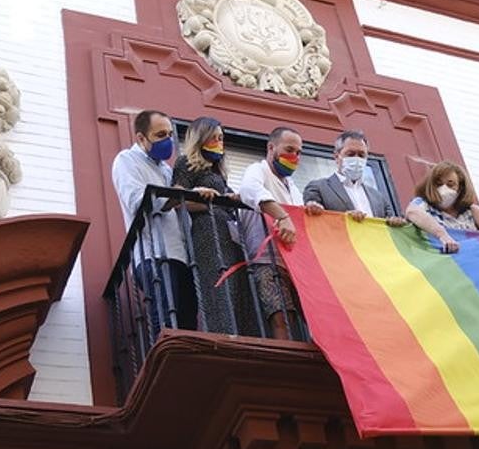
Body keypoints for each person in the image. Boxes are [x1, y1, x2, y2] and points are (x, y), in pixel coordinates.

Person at [110, 110, 197, 331]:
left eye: (169, 134)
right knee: (166, 321)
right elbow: (137, 202)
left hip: (181, 256)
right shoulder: (126, 161)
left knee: (188, 325)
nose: (167, 140)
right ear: (141, 138)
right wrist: (174, 196)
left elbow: (179, 206)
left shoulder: (166, 170)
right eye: (160, 135)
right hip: (154, 254)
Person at [171, 117, 259, 335]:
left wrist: (233, 197)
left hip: (229, 234)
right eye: (214, 137)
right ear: (201, 138)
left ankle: (242, 334)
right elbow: (178, 201)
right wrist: (200, 197)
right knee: (218, 284)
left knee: (238, 286)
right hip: (207, 234)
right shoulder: (186, 163)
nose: (219, 142)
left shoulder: (217, 171)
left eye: (221, 138)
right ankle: (222, 332)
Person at [238, 126, 305, 340]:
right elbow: (249, 189)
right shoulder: (257, 170)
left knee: (312, 318)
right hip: (266, 261)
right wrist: (282, 216)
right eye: (289, 149)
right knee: (280, 317)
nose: (294, 156)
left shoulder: (293, 187)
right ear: (271, 148)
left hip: (295, 264)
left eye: (299, 152)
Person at [405, 160, 479, 258]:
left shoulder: (470, 211)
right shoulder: (423, 205)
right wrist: (443, 235)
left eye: (451, 184)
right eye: (438, 184)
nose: (444, 188)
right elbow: (412, 212)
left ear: (460, 188)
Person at [302, 129, 405, 225]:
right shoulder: (318, 188)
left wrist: (396, 222)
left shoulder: (379, 197)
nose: (356, 159)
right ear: (337, 157)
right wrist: (345, 220)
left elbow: (390, 226)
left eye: (361, 155)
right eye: (350, 154)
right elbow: (314, 222)